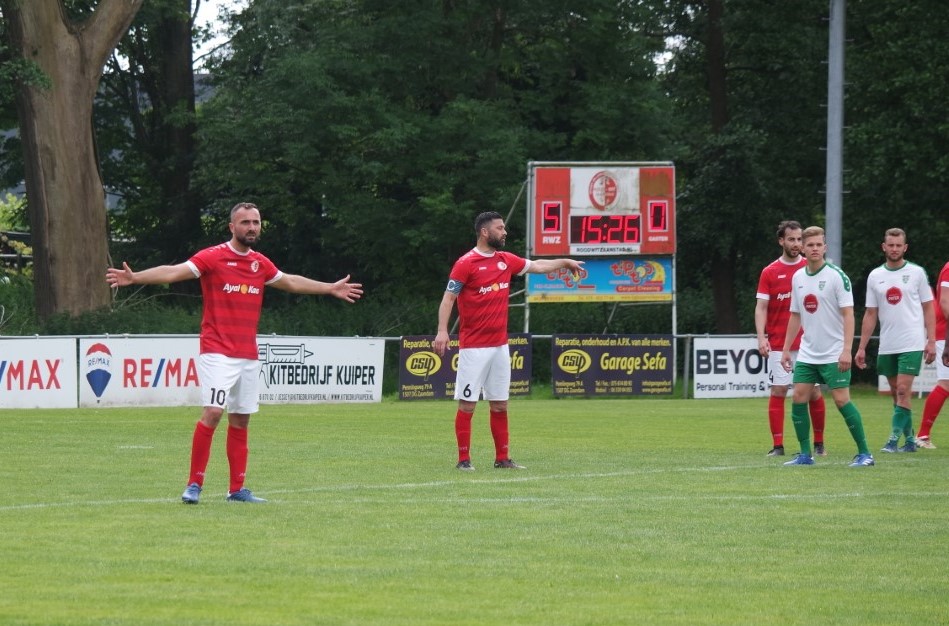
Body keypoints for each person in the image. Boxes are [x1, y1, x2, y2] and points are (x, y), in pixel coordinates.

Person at [106, 202, 363, 503]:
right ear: (232, 227)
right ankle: (194, 485)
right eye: (245, 222)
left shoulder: (260, 263)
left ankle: (237, 489)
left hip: (248, 355)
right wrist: (136, 278)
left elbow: (290, 281)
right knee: (214, 411)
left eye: (256, 222)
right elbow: (174, 272)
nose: (252, 227)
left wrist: (330, 288)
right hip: (217, 351)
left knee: (241, 419)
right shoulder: (212, 257)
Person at [433, 211, 583, 471]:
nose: (505, 232)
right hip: (474, 348)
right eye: (500, 228)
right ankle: (463, 460)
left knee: (500, 403)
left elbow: (537, 266)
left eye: (504, 228)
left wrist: (566, 262)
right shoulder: (466, 263)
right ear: (484, 232)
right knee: (468, 404)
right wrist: (442, 331)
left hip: (500, 347)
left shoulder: (506, 260)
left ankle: (502, 459)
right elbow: (448, 299)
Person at [780, 226, 874, 467]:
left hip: (833, 353)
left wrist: (846, 350)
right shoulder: (798, 277)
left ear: (825, 247)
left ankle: (865, 454)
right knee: (798, 398)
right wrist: (786, 349)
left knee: (842, 400)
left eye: (818, 245)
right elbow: (795, 315)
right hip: (808, 352)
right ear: (802, 247)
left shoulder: (836, 276)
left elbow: (849, 314)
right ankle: (804, 455)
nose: (814, 249)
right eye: (809, 245)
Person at [855, 228, 936, 453]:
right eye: (890, 245)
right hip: (888, 343)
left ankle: (892, 441)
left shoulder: (917, 273)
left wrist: (931, 340)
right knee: (896, 393)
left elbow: (929, 307)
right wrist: (861, 347)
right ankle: (909, 441)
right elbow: (870, 313)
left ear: (905, 247)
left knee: (902, 390)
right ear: (884, 247)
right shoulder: (875, 276)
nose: (894, 249)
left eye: (898, 245)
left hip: (912, 341)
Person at [755, 220, 827, 457]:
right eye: (792, 239)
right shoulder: (770, 272)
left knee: (814, 393)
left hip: (809, 343)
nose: (796, 244)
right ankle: (778, 446)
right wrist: (761, 337)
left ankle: (819, 443)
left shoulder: (812, 268)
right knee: (778, 391)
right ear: (781, 241)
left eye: (799, 240)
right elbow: (761, 307)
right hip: (778, 343)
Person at [917, 259, 949, 448]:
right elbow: (944, 302)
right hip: (946, 334)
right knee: (945, 384)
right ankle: (922, 435)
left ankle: (923, 434)